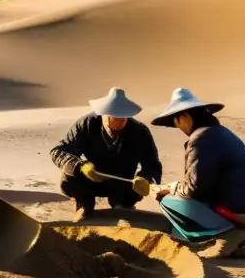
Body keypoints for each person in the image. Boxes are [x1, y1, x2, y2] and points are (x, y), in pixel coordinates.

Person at [150, 88, 245, 258]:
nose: (178, 127)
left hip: (244, 210)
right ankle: (229, 231)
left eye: (176, 121)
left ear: (185, 117)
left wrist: (168, 188)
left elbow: (194, 188)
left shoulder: (201, 139)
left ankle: (227, 235)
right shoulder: (221, 133)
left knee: (167, 200)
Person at [50, 87, 163, 221]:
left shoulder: (139, 131)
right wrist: (80, 166)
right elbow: (58, 151)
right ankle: (84, 205)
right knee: (68, 176)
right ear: (102, 114)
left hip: (123, 183)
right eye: (112, 121)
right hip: (91, 180)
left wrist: (145, 178)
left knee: (125, 205)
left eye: (123, 119)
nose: (118, 125)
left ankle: (123, 207)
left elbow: (153, 164)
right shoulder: (86, 124)